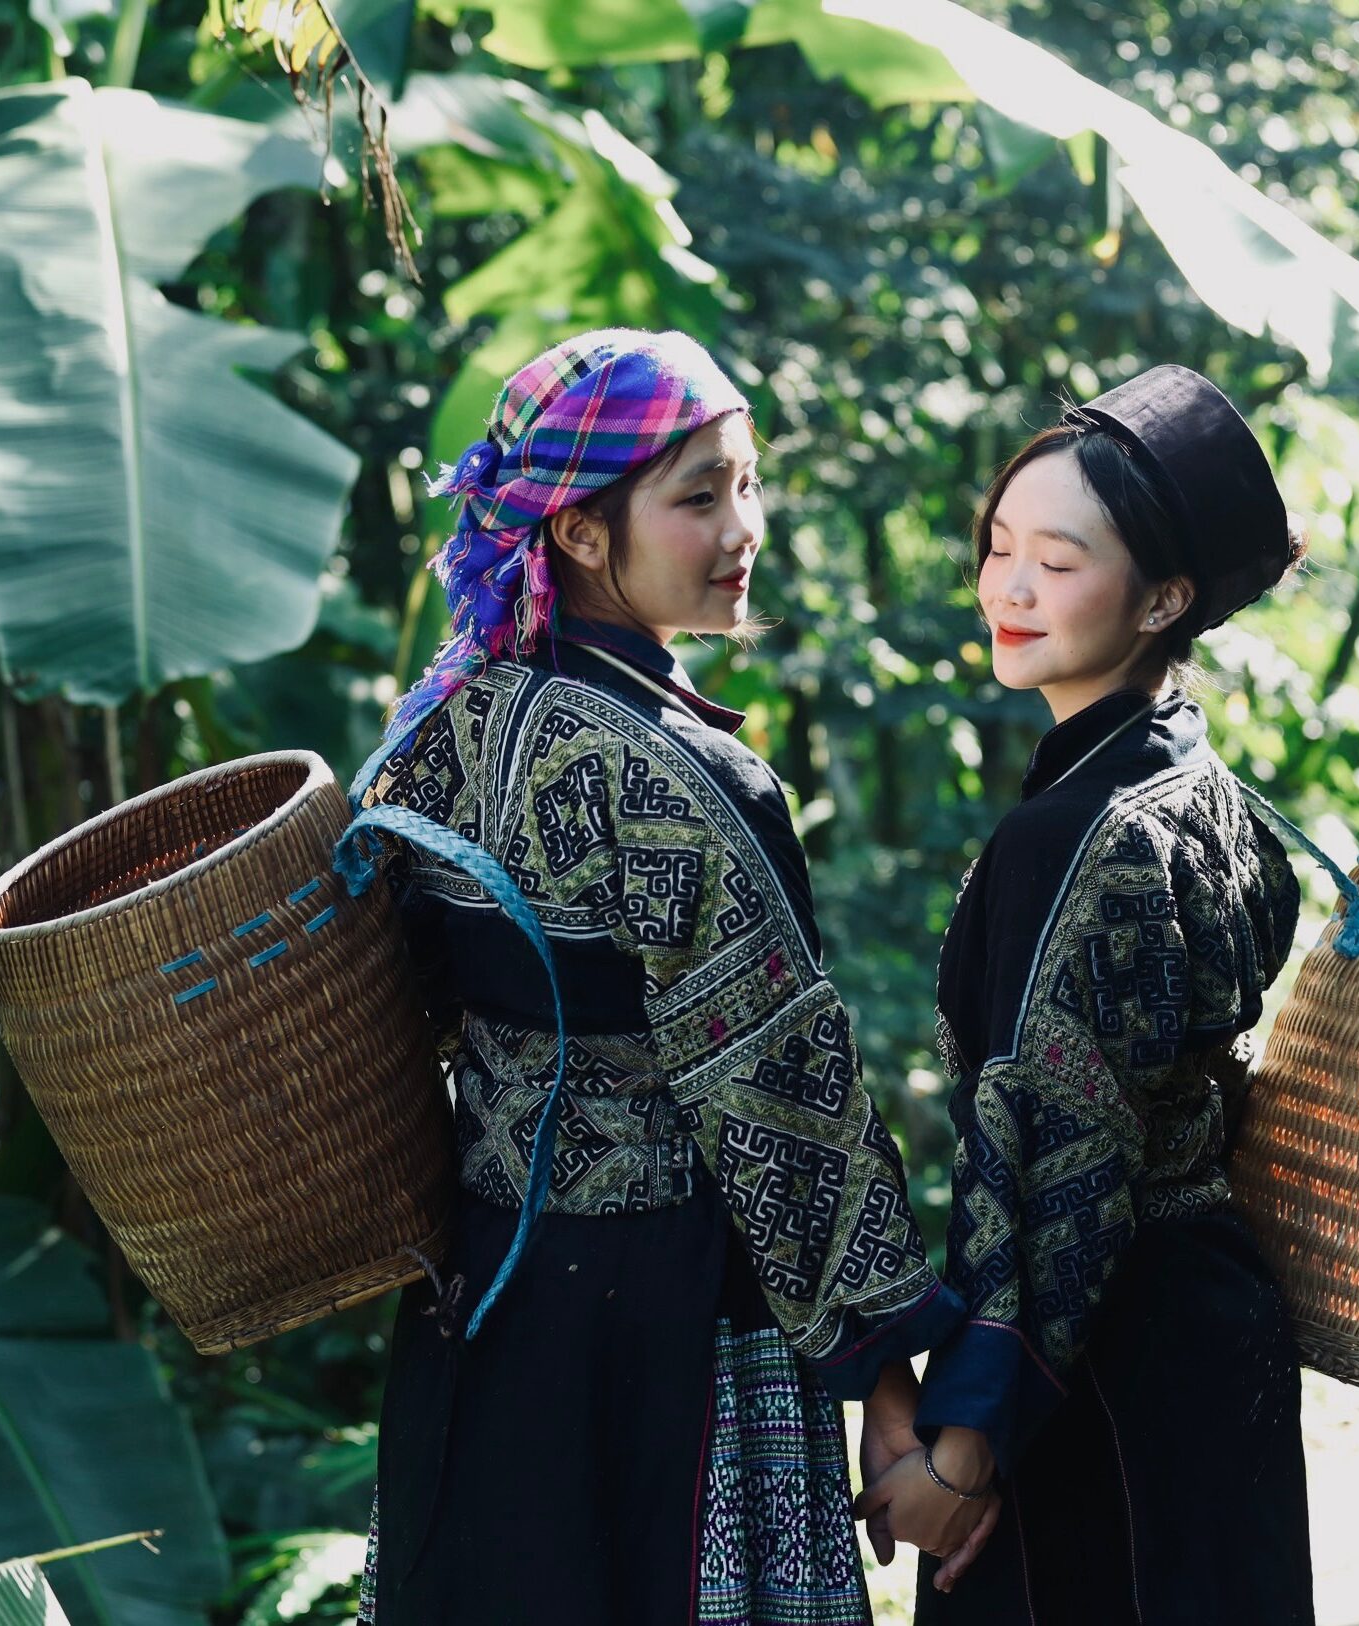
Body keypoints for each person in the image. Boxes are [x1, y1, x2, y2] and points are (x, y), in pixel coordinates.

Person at [344, 329, 961, 1626]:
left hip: (489, 1311)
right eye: (697, 495)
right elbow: (787, 1099)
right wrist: (887, 1375)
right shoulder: (686, 778)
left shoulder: (437, 728)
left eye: (746, 481)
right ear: (576, 533)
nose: (744, 526)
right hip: (669, 1330)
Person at [854, 366, 1314, 1623]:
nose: (1008, 589)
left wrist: (965, 1446)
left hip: (1105, 1361)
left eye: (1056, 563)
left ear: (1164, 596)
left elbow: (1059, 1168)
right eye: (1000, 548)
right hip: (1209, 1332)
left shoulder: (1074, 831)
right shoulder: (1203, 782)